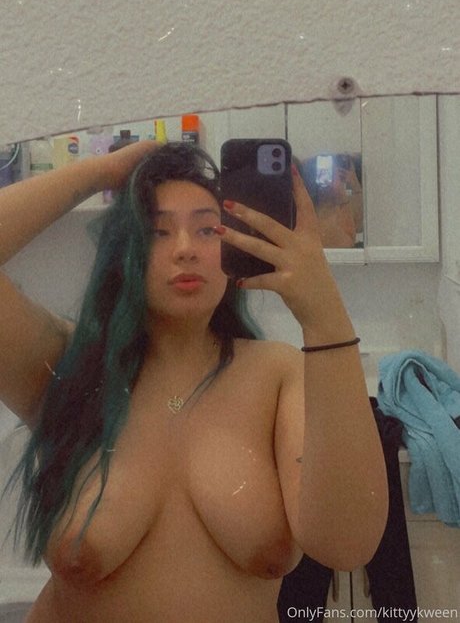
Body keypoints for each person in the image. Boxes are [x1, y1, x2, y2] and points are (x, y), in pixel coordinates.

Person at [0, 140, 388, 623]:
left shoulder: (276, 375)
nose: (185, 249)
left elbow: (347, 544)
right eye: (157, 232)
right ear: (126, 252)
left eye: (207, 229)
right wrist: (102, 172)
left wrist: (324, 314)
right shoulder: (67, 365)